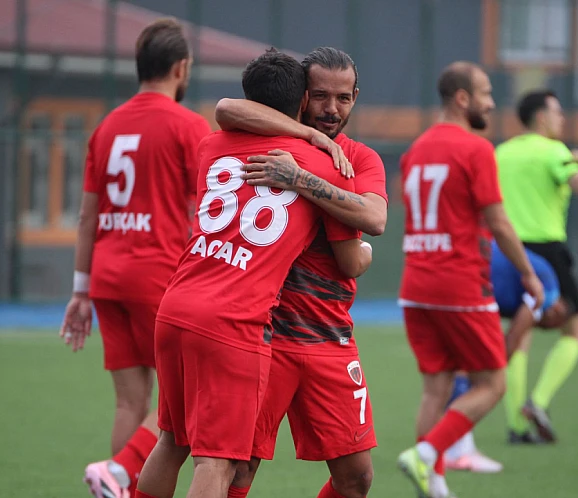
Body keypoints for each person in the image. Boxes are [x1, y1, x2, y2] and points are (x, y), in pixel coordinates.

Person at [135, 49, 369, 498]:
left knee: (171, 441)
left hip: (176, 305)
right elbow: (352, 253)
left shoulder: (211, 146)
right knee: (218, 462)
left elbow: (227, 111)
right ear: (302, 101)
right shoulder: (321, 164)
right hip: (234, 321)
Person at [214, 47, 387, 498]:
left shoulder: (359, 159)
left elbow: (376, 218)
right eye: (321, 96)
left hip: (329, 337)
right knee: (237, 470)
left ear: (356, 97)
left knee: (357, 478)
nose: (332, 110)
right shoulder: (264, 137)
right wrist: (307, 145)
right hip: (264, 336)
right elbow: (227, 107)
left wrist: (300, 180)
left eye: (344, 98)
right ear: (301, 95)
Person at [59, 18, 211, 498]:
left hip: (107, 276)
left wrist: (81, 290)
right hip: (159, 276)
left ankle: (120, 485)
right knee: (182, 403)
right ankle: (120, 472)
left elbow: (87, 216)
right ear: (181, 68)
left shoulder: (107, 127)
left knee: (130, 403)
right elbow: (206, 206)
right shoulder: (189, 126)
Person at [396, 61, 544, 498]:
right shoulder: (476, 149)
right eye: (485, 93)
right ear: (462, 99)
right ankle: (425, 456)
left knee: (436, 388)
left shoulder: (415, 149)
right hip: (459, 284)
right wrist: (528, 275)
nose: (491, 102)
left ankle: (434, 485)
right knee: (492, 383)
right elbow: (497, 221)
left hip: (416, 285)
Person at [495, 89, 578, 443]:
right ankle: (538, 402)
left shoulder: (501, 153)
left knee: (518, 337)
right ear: (541, 117)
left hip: (505, 251)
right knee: (575, 331)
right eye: (557, 113)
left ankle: (517, 428)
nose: (562, 119)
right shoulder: (556, 152)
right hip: (547, 253)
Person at [445, 241, 569, 463]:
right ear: (557, 309)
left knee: (449, 372)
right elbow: (515, 334)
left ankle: (444, 445)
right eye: (546, 323)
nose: (539, 325)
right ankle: (456, 447)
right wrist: (493, 372)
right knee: (481, 378)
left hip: (453, 270)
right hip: (471, 276)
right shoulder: (549, 291)